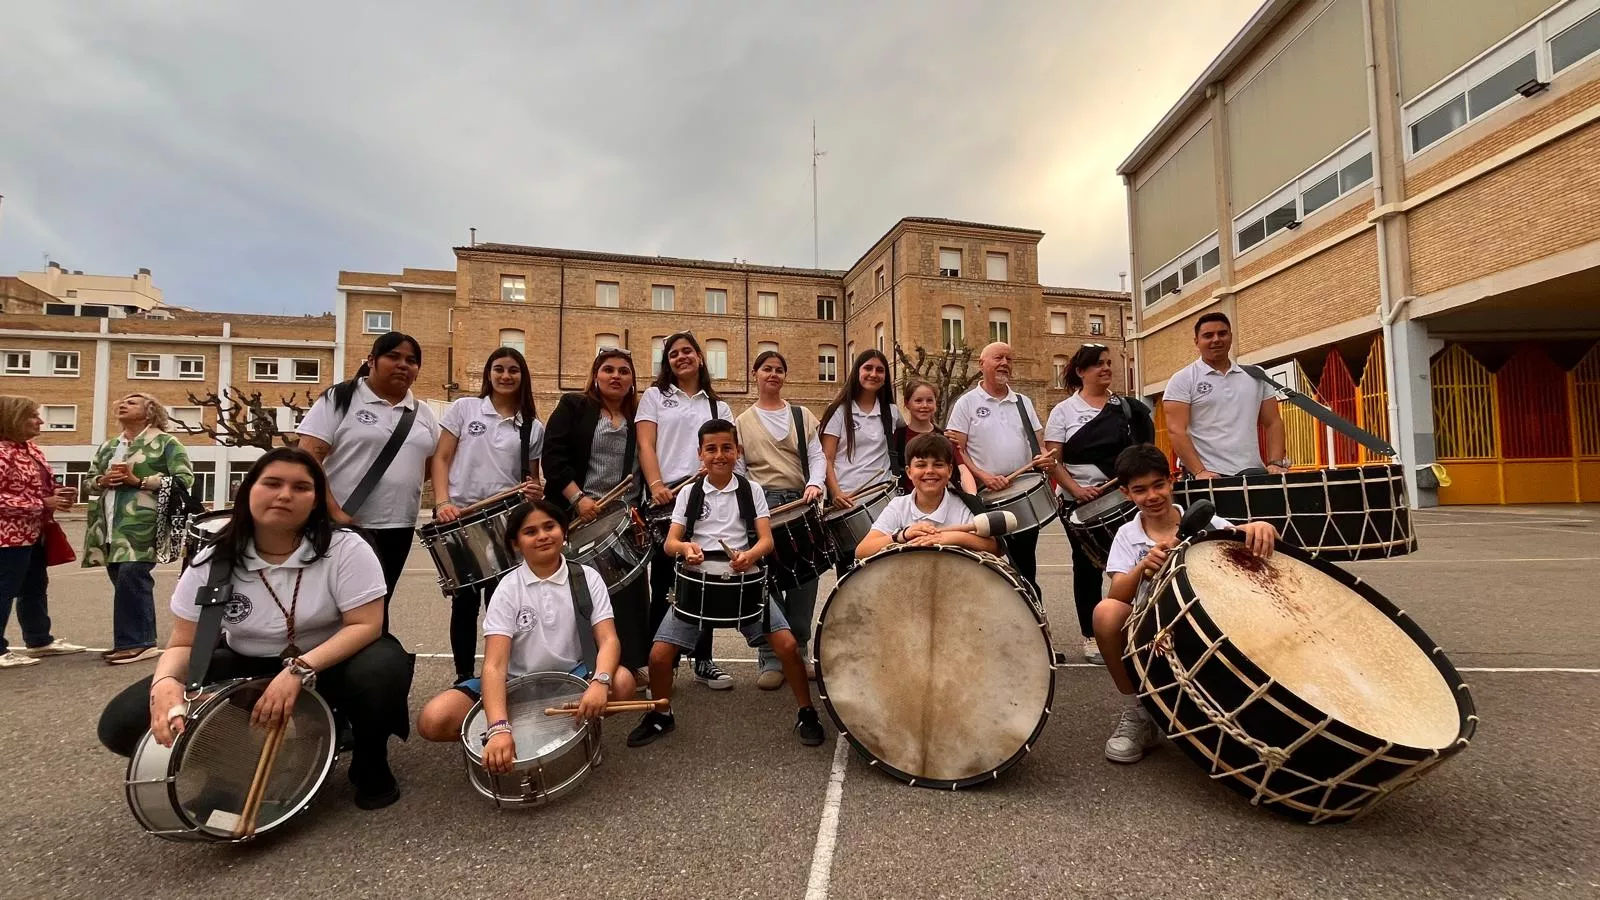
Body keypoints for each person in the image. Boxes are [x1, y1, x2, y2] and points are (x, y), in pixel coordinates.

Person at [96, 448, 415, 809]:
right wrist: (165, 683)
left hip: (328, 662)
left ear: (315, 501)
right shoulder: (213, 559)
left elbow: (366, 625)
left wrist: (298, 671)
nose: (284, 495)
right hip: (246, 660)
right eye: (272, 483)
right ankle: (231, 763)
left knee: (381, 667)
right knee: (122, 723)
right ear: (247, 491)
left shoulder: (345, 547)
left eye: (301, 487)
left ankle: (369, 758)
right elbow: (184, 643)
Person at [626, 419, 825, 748]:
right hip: (697, 584)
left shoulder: (751, 490)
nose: (719, 455)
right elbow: (670, 543)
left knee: (788, 646)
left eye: (727, 448)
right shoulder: (690, 492)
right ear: (700, 454)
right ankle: (661, 715)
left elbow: (766, 541)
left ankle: (806, 712)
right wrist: (686, 549)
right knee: (659, 656)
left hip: (744, 583)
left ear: (738, 451)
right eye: (711, 449)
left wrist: (750, 555)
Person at [1092, 444, 1276, 764]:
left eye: (1158, 485)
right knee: (1105, 613)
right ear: (1126, 493)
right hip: (1151, 628)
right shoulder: (1127, 534)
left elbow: (1241, 537)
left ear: (1171, 481)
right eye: (1140, 490)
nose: (1152, 496)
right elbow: (1117, 594)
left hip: (1204, 624)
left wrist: (1260, 527)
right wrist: (1143, 566)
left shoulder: (1204, 520)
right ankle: (1138, 712)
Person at [416, 499, 636, 757]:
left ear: (563, 531)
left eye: (549, 527)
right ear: (515, 543)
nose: (542, 536)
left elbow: (608, 640)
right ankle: (516, 732)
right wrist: (498, 727)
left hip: (574, 676)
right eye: (530, 532)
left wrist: (600, 681)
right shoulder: (507, 588)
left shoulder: (587, 577)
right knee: (434, 719)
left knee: (622, 682)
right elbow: (495, 665)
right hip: (515, 683)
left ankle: (573, 729)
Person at [297, 331, 440, 632]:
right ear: (372, 361)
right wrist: (335, 511)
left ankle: (373, 659)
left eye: (411, 360)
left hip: (398, 527)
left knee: (378, 605)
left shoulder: (423, 413)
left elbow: (429, 466)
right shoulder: (339, 399)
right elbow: (309, 456)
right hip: (343, 525)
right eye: (393, 357)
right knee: (332, 610)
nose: (403, 365)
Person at [429, 347, 545, 683]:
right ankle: (464, 676)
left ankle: (501, 673)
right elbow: (441, 459)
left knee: (503, 602)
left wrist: (535, 491)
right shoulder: (465, 408)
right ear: (489, 374)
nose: (506, 376)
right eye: (499, 369)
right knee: (464, 604)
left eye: (513, 370)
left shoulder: (532, 426)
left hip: (505, 518)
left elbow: (531, 478)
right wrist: (442, 503)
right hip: (459, 515)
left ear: (523, 377)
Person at [634, 332, 735, 690]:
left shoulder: (718, 407)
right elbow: (646, 444)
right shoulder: (654, 396)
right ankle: (663, 664)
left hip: (706, 497)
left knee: (703, 576)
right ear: (667, 362)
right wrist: (656, 484)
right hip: (665, 497)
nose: (681, 357)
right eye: (673, 353)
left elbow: (726, 454)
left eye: (687, 351)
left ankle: (703, 660)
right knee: (664, 582)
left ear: (700, 358)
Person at [1044, 344, 1155, 664]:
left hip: (1123, 499)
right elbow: (1053, 462)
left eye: (1108, 363)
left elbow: (1141, 453)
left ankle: (1138, 627)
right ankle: (1092, 635)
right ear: (1081, 371)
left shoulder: (1127, 408)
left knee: (1134, 564)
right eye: (1097, 364)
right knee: (1088, 568)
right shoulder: (1063, 411)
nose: (1106, 368)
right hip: (1079, 504)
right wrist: (1077, 490)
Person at [543, 348, 649, 675]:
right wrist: (578, 498)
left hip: (622, 516)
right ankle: (582, 665)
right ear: (596, 375)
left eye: (623, 371)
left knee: (628, 592)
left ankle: (630, 665)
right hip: (578, 515)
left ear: (632, 380)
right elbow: (553, 456)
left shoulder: (638, 416)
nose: (616, 376)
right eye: (608, 369)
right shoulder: (574, 406)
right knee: (581, 593)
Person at [734, 350, 825, 689]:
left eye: (779, 370)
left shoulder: (802, 415)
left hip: (801, 501)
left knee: (805, 579)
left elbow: (817, 456)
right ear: (755, 374)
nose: (773, 374)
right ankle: (771, 657)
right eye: (766, 369)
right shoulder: (742, 422)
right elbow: (740, 470)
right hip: (765, 506)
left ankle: (799, 653)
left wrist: (815, 483)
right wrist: (749, 505)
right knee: (767, 582)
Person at [84, 392, 195, 665]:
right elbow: (88, 482)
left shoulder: (166, 443)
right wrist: (102, 480)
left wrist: (139, 481)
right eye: (121, 402)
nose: (123, 404)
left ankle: (138, 642)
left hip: (143, 522)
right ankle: (133, 639)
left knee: (132, 576)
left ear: (150, 412)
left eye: (132, 402)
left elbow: (184, 479)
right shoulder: (109, 446)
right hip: (109, 524)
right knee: (123, 580)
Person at [944, 343, 1053, 598]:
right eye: (998, 358)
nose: (1005, 363)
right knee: (987, 561)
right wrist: (983, 476)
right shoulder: (966, 403)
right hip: (985, 495)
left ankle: (1030, 608)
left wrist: (1045, 458)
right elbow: (957, 450)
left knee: (1024, 564)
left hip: (1020, 492)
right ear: (982, 364)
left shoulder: (1023, 402)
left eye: (1009, 359)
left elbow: (1039, 445)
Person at [0, 396, 86, 668]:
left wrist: (59, 493)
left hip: (35, 533)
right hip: (7, 537)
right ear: (12, 419)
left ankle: (39, 640)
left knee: (34, 587)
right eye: (33, 416)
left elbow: (37, 488)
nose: (40, 421)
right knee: (4, 590)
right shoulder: (2, 453)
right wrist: (42, 503)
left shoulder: (31, 450)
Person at [1163, 312, 1289, 478]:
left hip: (1253, 473)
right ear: (1196, 341)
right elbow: (1176, 430)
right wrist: (1199, 471)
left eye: (1222, 334)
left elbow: (1273, 422)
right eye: (1208, 335)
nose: (1216, 339)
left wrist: (1276, 463)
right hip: (1209, 477)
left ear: (1231, 336)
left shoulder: (1256, 375)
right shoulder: (1183, 379)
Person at [820, 349, 902, 574]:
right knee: (851, 575)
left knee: (886, 571)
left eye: (880, 370)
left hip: (884, 501)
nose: (873, 374)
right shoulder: (839, 411)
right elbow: (826, 457)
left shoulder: (892, 412)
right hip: (848, 504)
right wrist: (835, 493)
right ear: (857, 371)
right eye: (868, 368)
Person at [856, 432, 998, 559]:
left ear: (950, 471)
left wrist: (952, 537)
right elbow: (862, 551)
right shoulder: (898, 506)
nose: (929, 471)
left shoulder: (964, 504)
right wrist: (902, 535)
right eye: (921, 465)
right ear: (909, 472)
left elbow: (994, 548)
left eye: (938, 465)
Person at [891, 378, 977, 495]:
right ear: (907, 403)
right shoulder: (898, 437)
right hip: (907, 501)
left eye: (930, 400)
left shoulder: (945, 438)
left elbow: (963, 471)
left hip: (940, 501)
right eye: (918, 401)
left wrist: (973, 497)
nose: (924, 405)